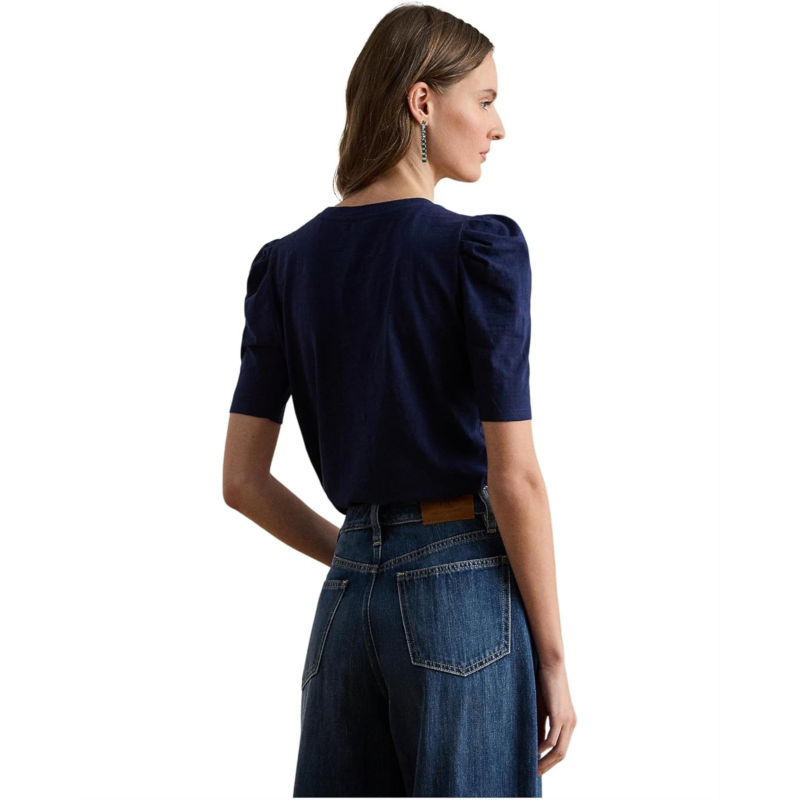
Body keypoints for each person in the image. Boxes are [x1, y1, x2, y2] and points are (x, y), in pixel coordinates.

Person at [222, 4, 576, 796]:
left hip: (345, 604)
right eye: (484, 100)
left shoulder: (286, 264)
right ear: (423, 101)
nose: (499, 126)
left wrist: (365, 556)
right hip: (461, 592)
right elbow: (516, 478)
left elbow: (241, 482)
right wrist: (553, 659)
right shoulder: (475, 252)